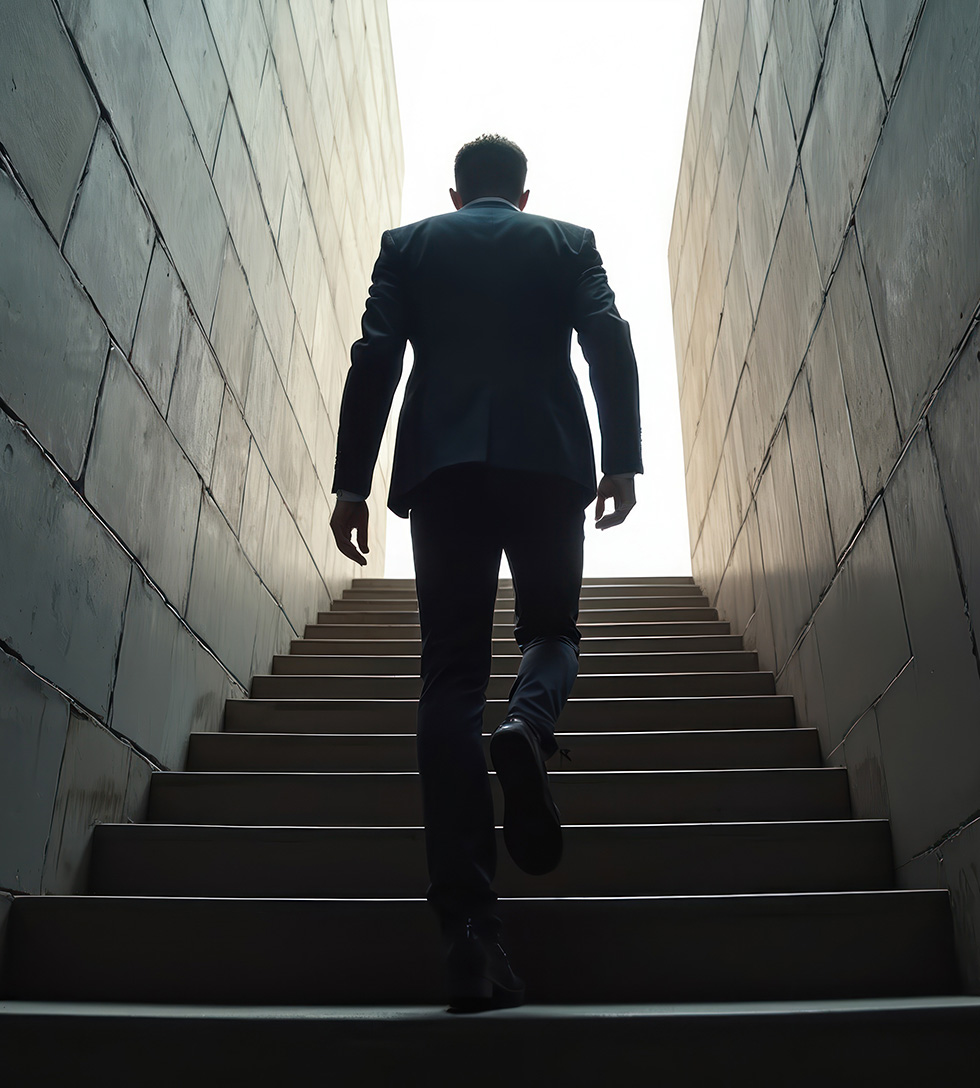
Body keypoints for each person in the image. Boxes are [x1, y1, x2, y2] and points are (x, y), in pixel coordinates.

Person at [330, 134, 642, 1011]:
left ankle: (470, 929)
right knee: (550, 632)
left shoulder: (410, 244)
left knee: (450, 674)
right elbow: (607, 337)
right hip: (547, 464)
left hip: (446, 469)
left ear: (455, 190)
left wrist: (352, 483)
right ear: (525, 194)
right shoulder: (568, 242)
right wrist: (621, 457)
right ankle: (529, 727)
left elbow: (376, 359)